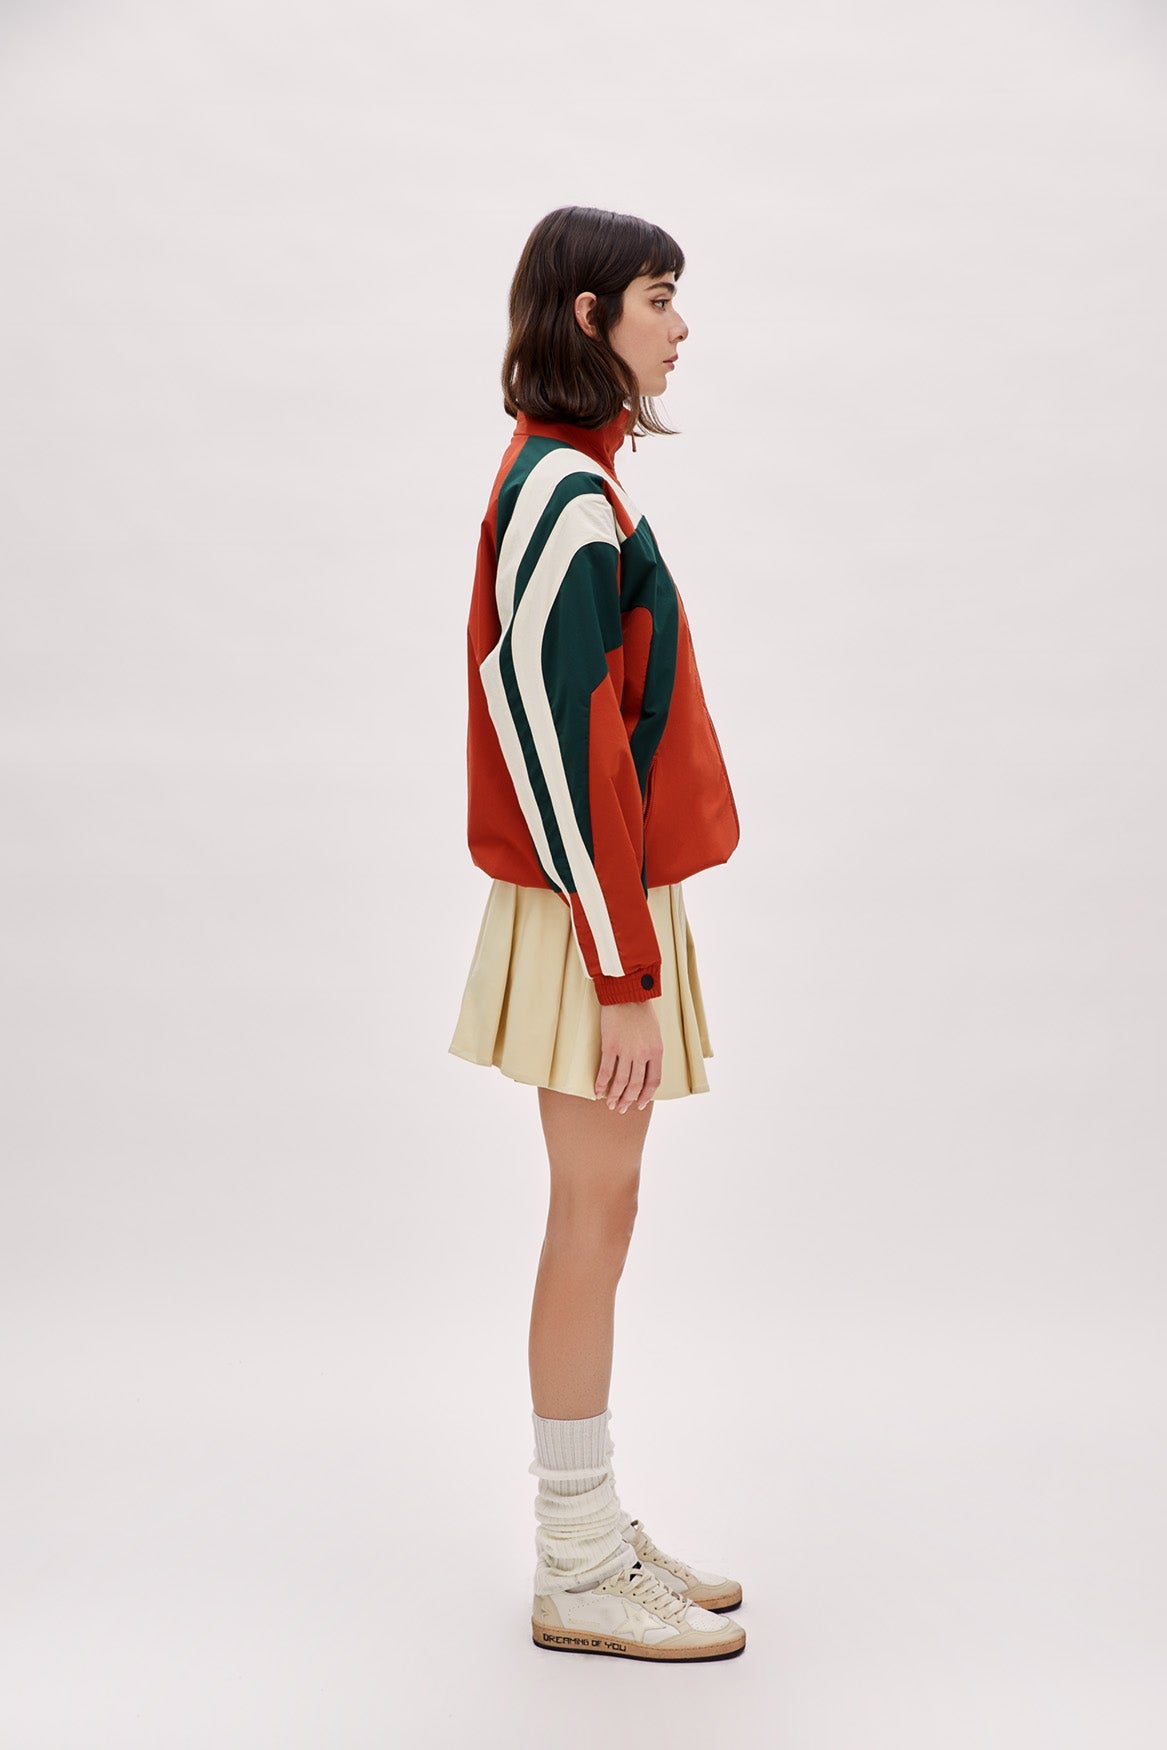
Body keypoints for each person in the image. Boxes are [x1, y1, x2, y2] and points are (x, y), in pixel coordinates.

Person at [447, 206, 746, 1662]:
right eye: (657, 298)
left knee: (603, 1210)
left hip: (604, 900)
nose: (680, 327)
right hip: (592, 910)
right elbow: (559, 740)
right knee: (590, 1213)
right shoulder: (565, 490)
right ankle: (574, 1562)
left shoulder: (581, 479)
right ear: (588, 316)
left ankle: (590, 1524)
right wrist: (621, 970)